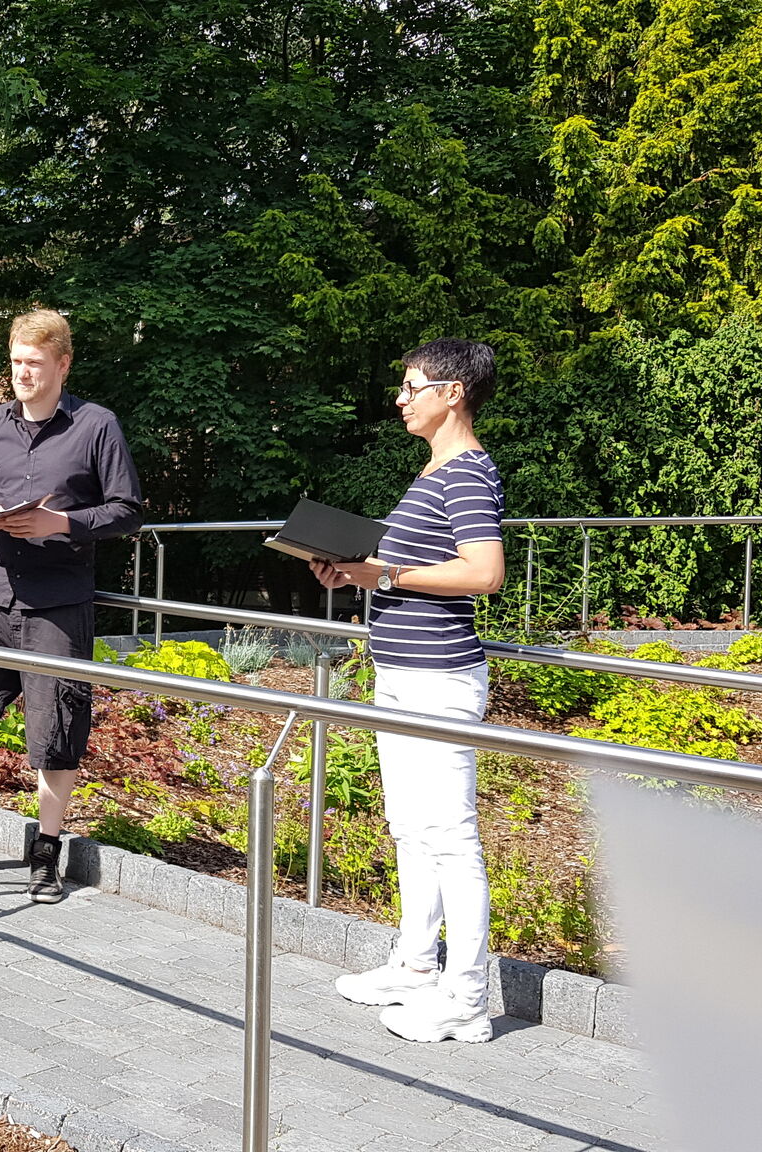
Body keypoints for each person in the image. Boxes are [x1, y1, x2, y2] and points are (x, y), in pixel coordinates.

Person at [309, 337, 506, 1043]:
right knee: (411, 828)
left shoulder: (468, 475)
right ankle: (419, 964)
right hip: (400, 674)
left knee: (451, 837)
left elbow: (484, 573)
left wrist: (382, 575)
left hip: (439, 678)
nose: (401, 398)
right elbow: (409, 563)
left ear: (454, 392)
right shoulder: (433, 473)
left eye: (412, 386)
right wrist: (355, 568)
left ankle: (468, 999)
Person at [0, 309, 144, 903]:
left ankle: (46, 849)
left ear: (63, 364)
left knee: (56, 726)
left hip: (58, 599)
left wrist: (64, 521)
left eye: (34, 363)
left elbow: (127, 510)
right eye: (17, 361)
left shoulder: (96, 425)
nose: (23, 373)